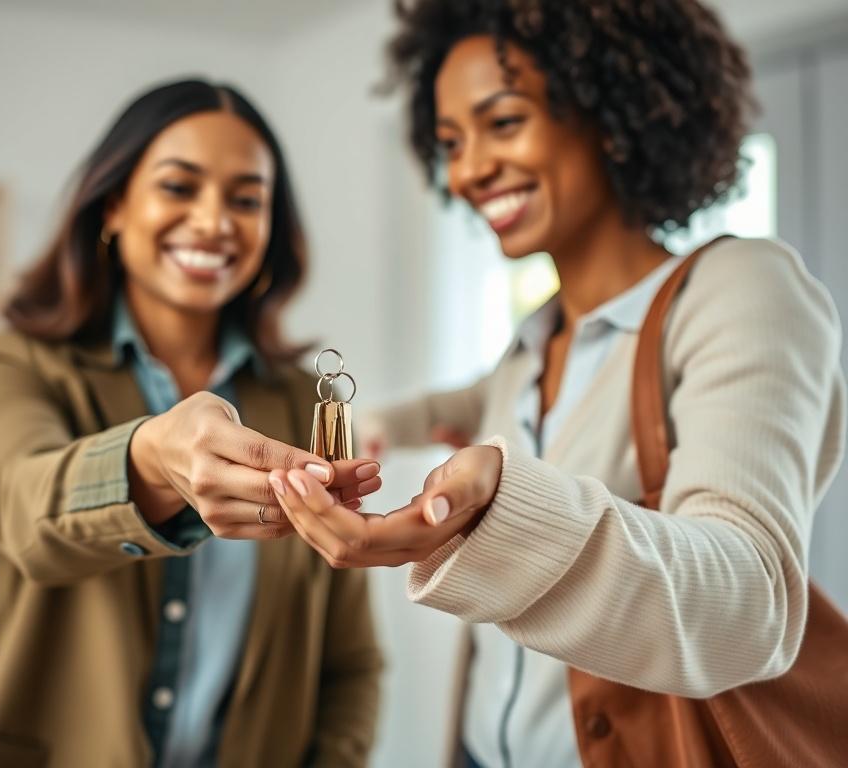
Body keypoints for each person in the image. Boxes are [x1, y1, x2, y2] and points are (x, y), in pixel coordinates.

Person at [269, 2, 846, 766]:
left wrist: (509, 507)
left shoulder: (742, 290)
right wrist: (361, 428)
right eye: (451, 143)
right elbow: (458, 407)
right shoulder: (533, 344)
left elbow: (750, 604)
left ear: (612, 112)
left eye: (502, 123)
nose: (470, 169)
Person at [0, 79, 383, 768]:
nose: (214, 222)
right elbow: (21, 511)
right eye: (180, 188)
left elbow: (351, 657)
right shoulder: (11, 365)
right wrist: (149, 458)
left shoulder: (305, 402)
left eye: (245, 199)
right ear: (113, 204)